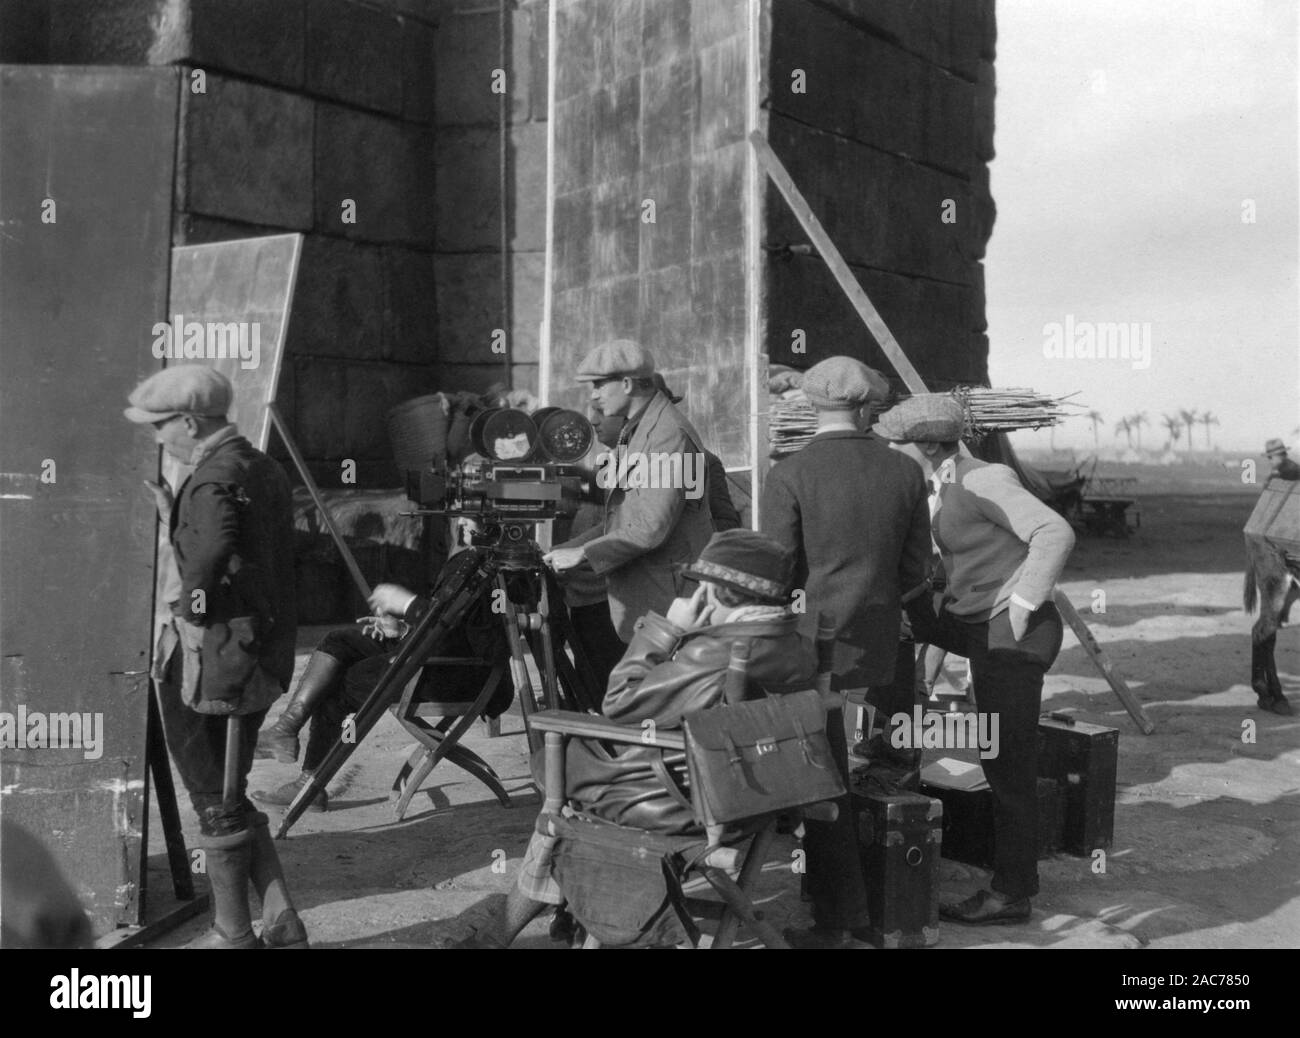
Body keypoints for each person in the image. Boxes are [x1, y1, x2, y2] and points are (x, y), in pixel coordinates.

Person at [465, 529, 817, 947]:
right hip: (754, 803)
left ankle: (504, 935)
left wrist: (665, 626)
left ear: (718, 595)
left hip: (680, 806)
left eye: (702, 587)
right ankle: (556, 918)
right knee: (570, 777)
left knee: (555, 785)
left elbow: (619, 700)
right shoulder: (794, 645)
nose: (695, 594)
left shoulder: (718, 653)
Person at [125, 365, 306, 949]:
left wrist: (191, 618)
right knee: (229, 788)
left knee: (211, 794)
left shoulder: (211, 481)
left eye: (160, 427)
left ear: (189, 420)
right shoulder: (260, 466)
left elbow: (207, 567)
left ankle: (233, 933)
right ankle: (283, 920)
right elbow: (243, 550)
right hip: (259, 652)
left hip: (216, 658)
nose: (159, 439)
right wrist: (176, 514)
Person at [878, 395, 1076, 926]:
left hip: (1014, 634)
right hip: (976, 623)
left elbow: (1054, 532)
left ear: (924, 445)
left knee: (1006, 765)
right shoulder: (939, 485)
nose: (887, 450)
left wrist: (1025, 602)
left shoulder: (983, 479)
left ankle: (1013, 892)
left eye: (894, 442)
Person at [759, 355, 932, 948]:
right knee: (863, 764)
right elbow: (918, 570)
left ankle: (838, 918)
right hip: (876, 648)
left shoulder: (789, 473)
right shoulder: (905, 471)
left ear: (812, 405)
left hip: (809, 648)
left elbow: (775, 573)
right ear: (866, 408)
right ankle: (868, 904)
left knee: (819, 772)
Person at [543, 340, 714, 642]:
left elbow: (651, 526)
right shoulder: (638, 429)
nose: (594, 395)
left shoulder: (667, 434)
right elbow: (622, 517)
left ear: (626, 384)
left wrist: (582, 553)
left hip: (669, 604)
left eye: (598, 384)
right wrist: (564, 550)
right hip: (653, 600)